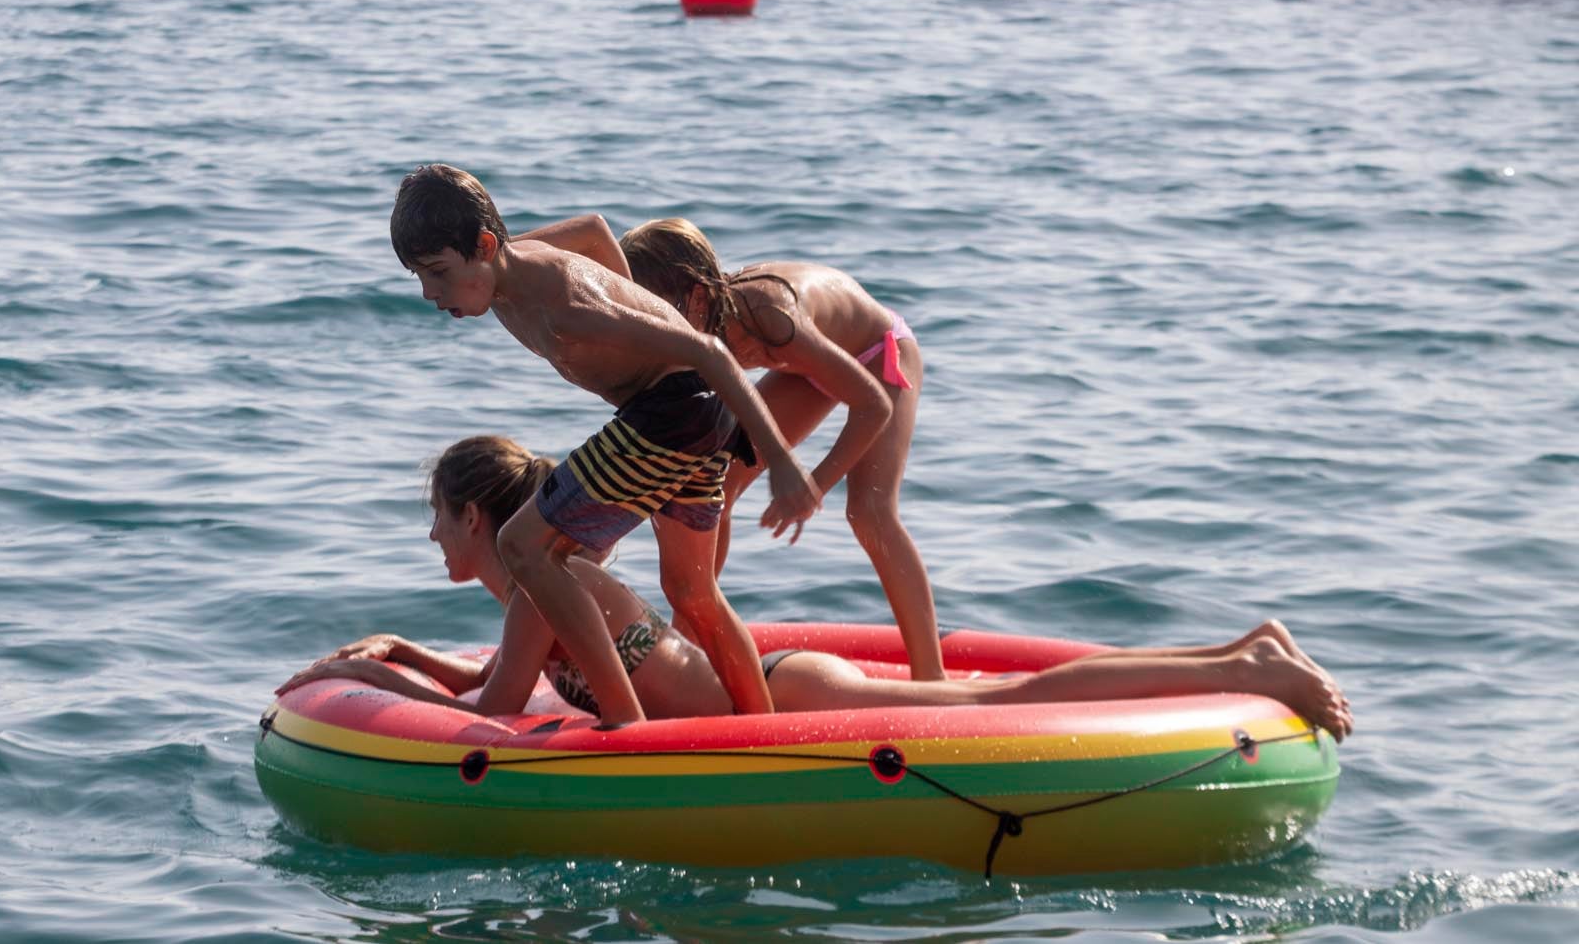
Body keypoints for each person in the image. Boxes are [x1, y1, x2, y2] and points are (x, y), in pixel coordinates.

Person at [275, 436, 1354, 742]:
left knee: (1001, 707)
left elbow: (499, 711)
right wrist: (401, 658)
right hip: (765, 688)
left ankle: (1240, 664)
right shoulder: (545, 580)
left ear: (476, 518)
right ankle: (1237, 650)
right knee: (995, 702)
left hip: (788, 700)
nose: (430, 540)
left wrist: (379, 683)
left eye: (434, 520)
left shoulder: (536, 586)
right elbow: (499, 683)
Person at [389, 165, 823, 725]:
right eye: (420, 277)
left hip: (667, 416)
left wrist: (783, 463)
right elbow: (594, 229)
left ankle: (625, 723)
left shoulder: (566, 308)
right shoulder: (507, 264)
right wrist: (635, 299)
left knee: (524, 547)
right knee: (691, 591)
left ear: (485, 245)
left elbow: (711, 355)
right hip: (697, 417)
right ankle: (763, 733)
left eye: (438, 273)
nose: (430, 293)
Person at [619, 217, 944, 679]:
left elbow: (873, 406)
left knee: (869, 510)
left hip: (876, 352)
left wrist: (813, 486)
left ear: (695, 296)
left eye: (655, 310)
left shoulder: (766, 316)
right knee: (718, 486)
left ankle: (931, 676)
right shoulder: (699, 324)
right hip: (807, 366)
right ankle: (691, 641)